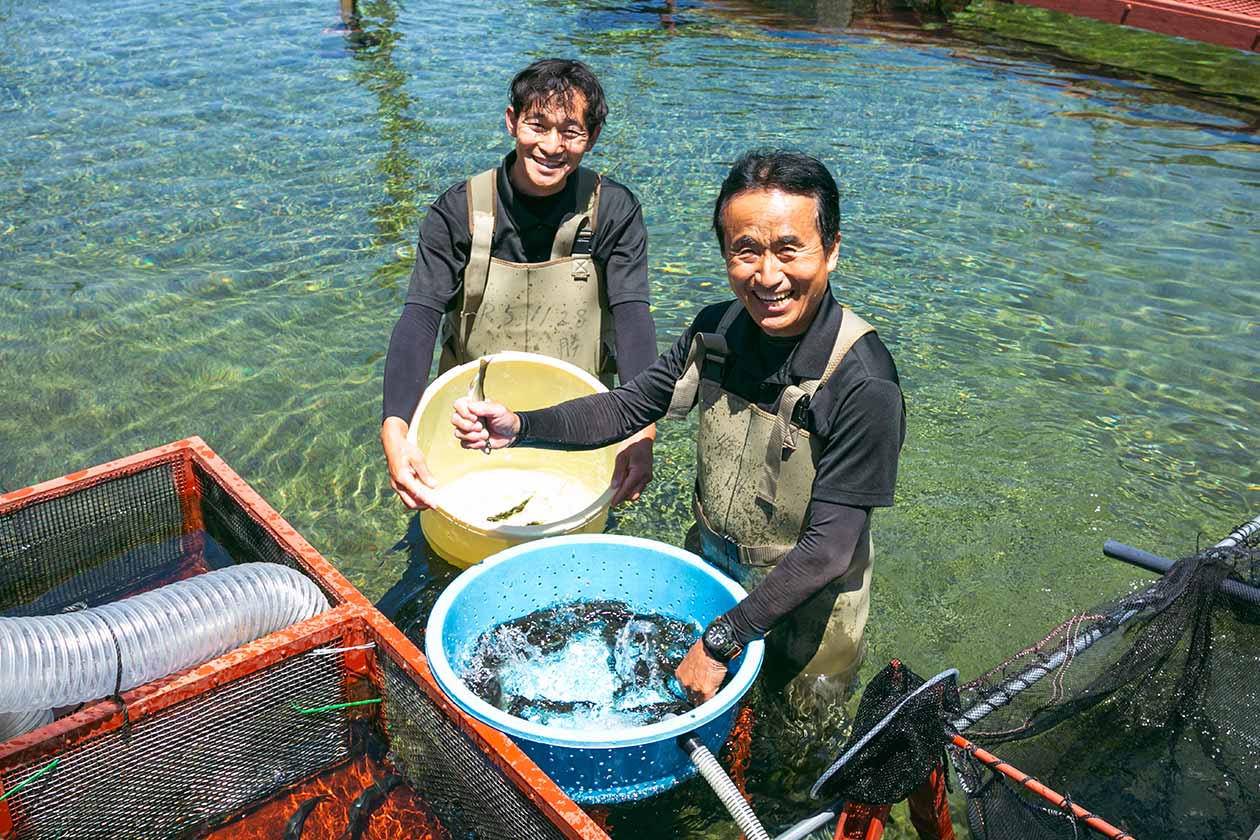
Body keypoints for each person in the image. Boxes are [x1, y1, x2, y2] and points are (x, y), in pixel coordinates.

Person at [450, 149, 906, 733]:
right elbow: (629, 406)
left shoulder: (863, 382)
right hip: (713, 575)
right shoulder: (716, 332)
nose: (767, 276)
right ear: (725, 254)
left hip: (809, 612)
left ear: (832, 249)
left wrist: (722, 639)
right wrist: (520, 426)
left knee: (794, 744)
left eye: (789, 249)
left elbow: (829, 551)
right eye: (746, 251)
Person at [381, 59, 658, 512]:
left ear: (593, 137)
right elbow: (420, 317)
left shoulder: (613, 211)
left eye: (571, 131)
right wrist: (395, 427)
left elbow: (633, 319)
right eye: (537, 125)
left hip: (581, 418)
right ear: (512, 122)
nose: (552, 145)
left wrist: (641, 430)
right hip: (470, 418)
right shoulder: (457, 213)